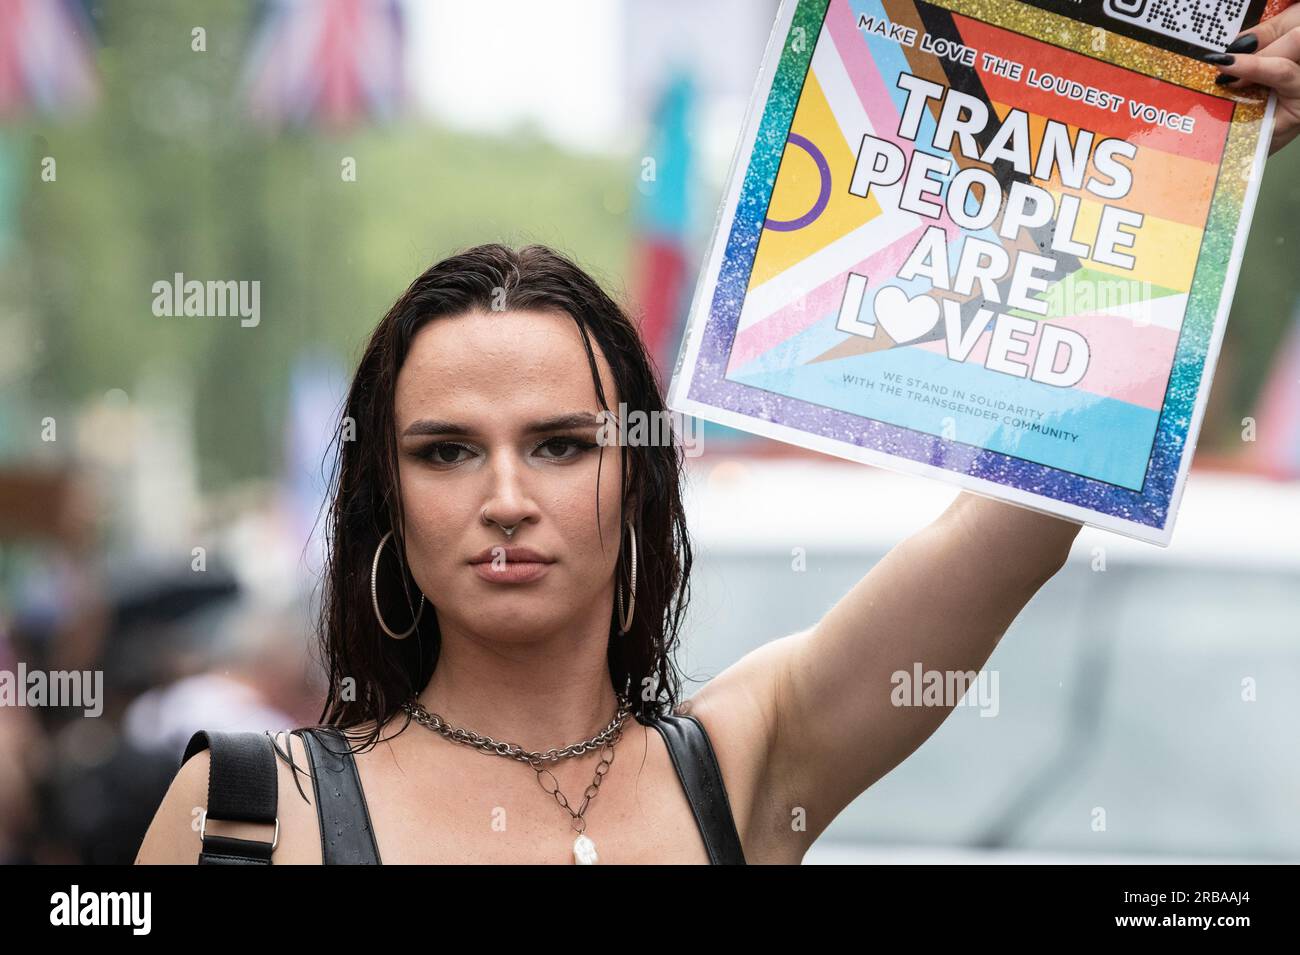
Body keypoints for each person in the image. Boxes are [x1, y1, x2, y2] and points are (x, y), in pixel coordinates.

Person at [136, 17, 1300, 864]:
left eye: (559, 444)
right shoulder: (243, 815)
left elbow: (1022, 511)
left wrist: (1197, 160)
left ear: (637, 481)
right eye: (445, 450)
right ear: (383, 500)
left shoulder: (748, 765)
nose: (503, 494)